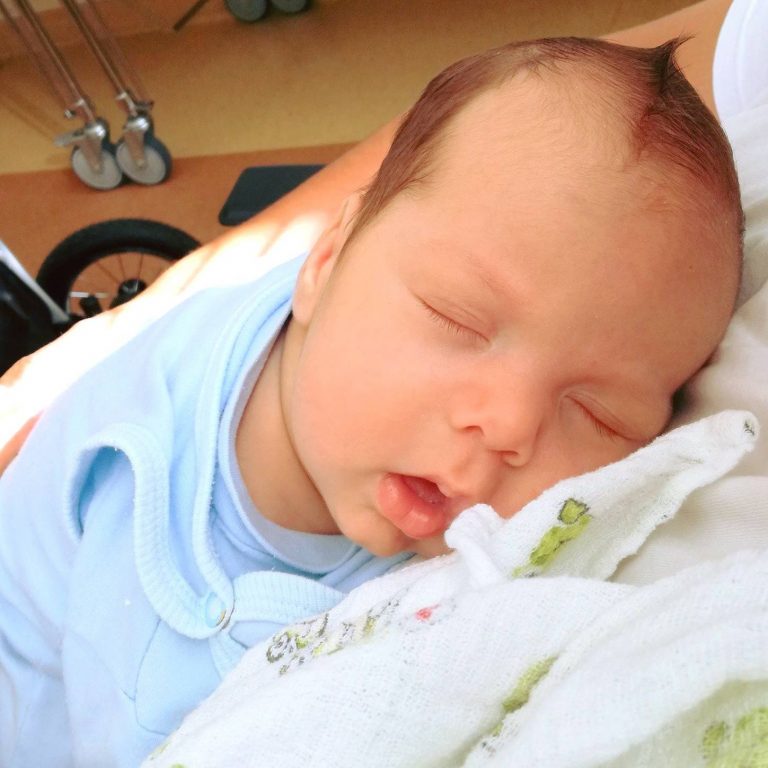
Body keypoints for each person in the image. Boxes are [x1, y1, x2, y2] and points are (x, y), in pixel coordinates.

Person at [0, 18, 745, 768]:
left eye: (597, 414)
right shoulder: (162, 567)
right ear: (324, 261)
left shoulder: (374, 296)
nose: (507, 424)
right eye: (457, 318)